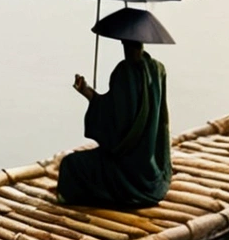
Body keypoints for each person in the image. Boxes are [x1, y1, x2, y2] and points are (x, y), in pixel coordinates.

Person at [56, 28, 171, 209]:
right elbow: (158, 115)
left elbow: (116, 125)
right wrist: (89, 92)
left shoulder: (124, 72)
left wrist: (88, 93)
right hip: (149, 164)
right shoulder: (158, 68)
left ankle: (111, 195)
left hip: (127, 166)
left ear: (124, 43)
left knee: (70, 164)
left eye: (125, 44)